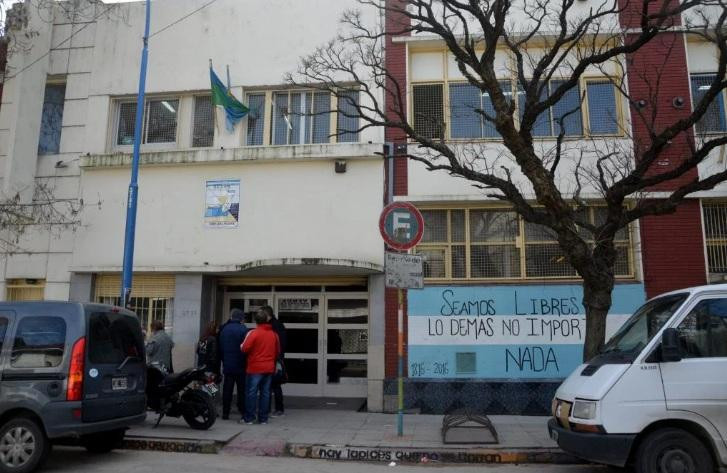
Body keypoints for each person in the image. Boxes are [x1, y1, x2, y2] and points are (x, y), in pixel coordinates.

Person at [240, 308, 280, 425]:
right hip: (269, 368)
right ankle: (263, 418)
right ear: (267, 320)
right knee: (266, 393)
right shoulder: (274, 334)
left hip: (255, 368)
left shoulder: (253, 333)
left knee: (251, 393)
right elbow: (278, 351)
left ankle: (249, 418)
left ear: (256, 321)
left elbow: (244, 348)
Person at [218, 309, 249, 420]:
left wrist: (223, 360)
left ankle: (225, 413)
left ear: (232, 317)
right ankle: (243, 411)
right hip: (241, 364)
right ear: (241, 318)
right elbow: (247, 348)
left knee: (227, 389)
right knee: (242, 390)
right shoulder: (243, 329)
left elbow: (220, 348)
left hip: (228, 364)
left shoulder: (224, 329)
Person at [266, 306, 287, 417]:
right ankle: (274, 409)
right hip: (275, 359)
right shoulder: (277, 325)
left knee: (272, 385)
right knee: (273, 385)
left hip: (274, 359)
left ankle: (275, 409)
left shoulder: (274, 326)